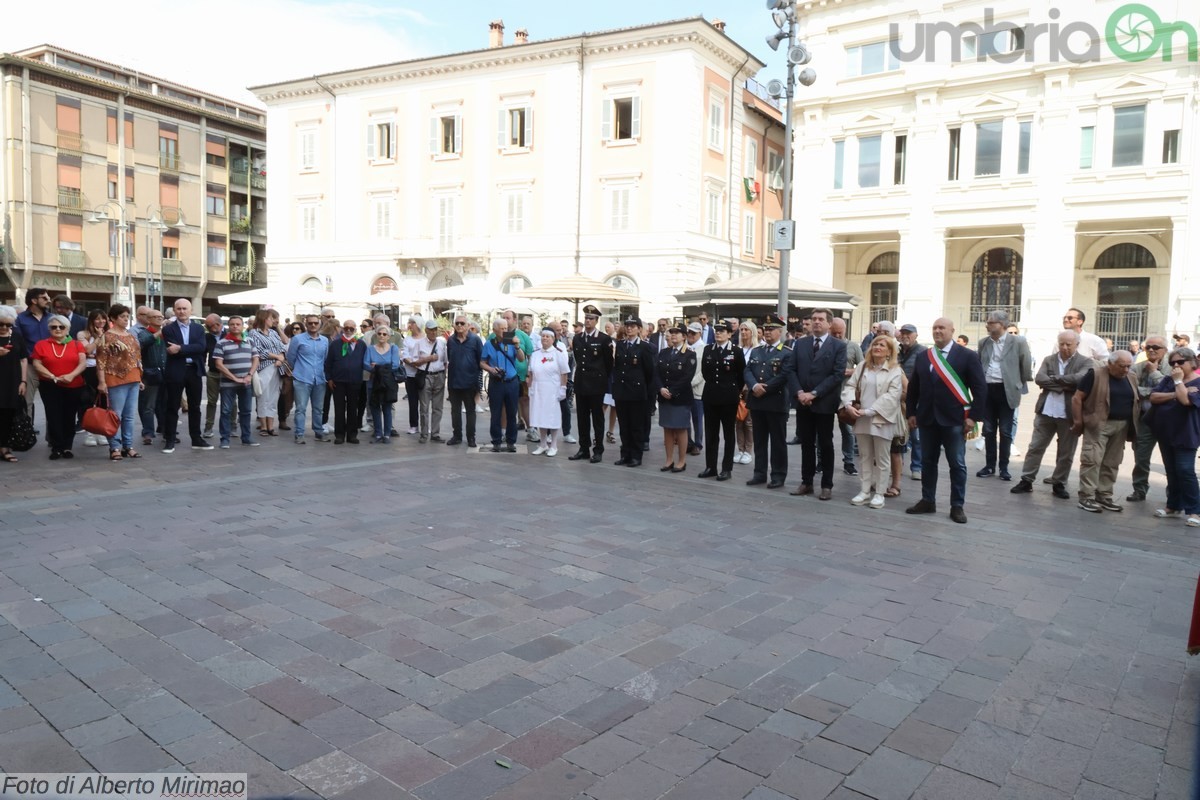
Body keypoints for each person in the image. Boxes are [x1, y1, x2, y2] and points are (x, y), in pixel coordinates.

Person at [905, 317, 988, 524]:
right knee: (927, 462)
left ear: (952, 331)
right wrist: (911, 413)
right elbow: (914, 387)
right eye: (934, 328)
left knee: (957, 464)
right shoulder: (925, 356)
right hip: (927, 418)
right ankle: (928, 500)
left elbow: (980, 388)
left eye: (942, 328)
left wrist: (974, 417)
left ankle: (957, 505)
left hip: (954, 419)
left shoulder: (967, 356)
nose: (937, 331)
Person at [1010, 331, 1092, 499]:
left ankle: (1059, 483)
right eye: (1062, 343)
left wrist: (1055, 380)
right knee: (1035, 447)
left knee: (1066, 452)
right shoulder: (1049, 359)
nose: (1064, 347)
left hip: (1069, 414)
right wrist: (1064, 385)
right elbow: (1040, 378)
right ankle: (1027, 479)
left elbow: (1080, 378)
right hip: (1046, 411)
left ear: (1077, 344)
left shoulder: (1085, 361)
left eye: (1068, 344)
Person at [788, 308, 848, 500]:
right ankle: (806, 482)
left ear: (829, 324)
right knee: (806, 443)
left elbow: (837, 375)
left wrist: (814, 393)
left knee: (825, 443)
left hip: (824, 403)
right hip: (803, 402)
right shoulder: (800, 343)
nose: (816, 322)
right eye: (814, 319)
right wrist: (799, 392)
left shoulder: (838, 346)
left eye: (821, 319)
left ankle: (826, 485)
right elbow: (791, 370)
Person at [840, 335, 904, 509]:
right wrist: (848, 404)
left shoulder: (895, 370)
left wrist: (870, 411)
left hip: (881, 418)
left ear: (890, 351)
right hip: (860, 417)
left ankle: (880, 493)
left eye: (882, 345)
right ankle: (864, 491)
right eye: (875, 344)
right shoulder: (862, 367)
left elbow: (893, 396)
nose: (877, 347)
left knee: (882, 459)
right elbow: (850, 386)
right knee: (865, 456)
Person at [1071, 351, 1139, 513]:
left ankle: (1104, 494)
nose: (1125, 370)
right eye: (1122, 366)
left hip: (1122, 426)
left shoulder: (1132, 377)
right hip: (1098, 424)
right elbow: (1077, 398)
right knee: (1092, 459)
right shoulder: (1095, 375)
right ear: (1110, 363)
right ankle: (1086, 496)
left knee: (1112, 461)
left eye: (1128, 366)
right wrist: (1078, 421)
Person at [974, 310, 1032, 481]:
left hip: (1007, 390)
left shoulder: (1018, 341)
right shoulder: (983, 343)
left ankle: (1004, 468)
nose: (987, 325)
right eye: (987, 322)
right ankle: (989, 465)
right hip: (988, 390)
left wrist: (1018, 383)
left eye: (991, 322)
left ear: (1003, 325)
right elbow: (979, 364)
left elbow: (1026, 365)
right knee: (988, 430)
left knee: (1006, 431)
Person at [1148, 346, 1200, 527]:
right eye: (1172, 363)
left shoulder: (1197, 382)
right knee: (1171, 470)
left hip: (1186, 433)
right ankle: (1173, 506)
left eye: (1180, 362)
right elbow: (1153, 397)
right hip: (1166, 432)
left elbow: (1186, 402)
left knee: (1185, 471)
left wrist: (1179, 383)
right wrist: (1175, 392)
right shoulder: (1169, 380)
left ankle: (1195, 511)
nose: (1175, 365)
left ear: (1192, 362)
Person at [744, 313, 795, 489]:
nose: (767, 332)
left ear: (780, 331)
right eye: (765, 329)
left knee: (778, 441)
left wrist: (764, 388)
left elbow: (784, 375)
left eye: (771, 329)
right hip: (757, 402)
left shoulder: (786, 352)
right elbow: (747, 370)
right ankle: (759, 473)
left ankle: (778, 475)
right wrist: (753, 386)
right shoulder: (757, 351)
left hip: (775, 401)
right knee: (759, 440)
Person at [31, 315, 86, 459]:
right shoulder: (41, 344)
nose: (57, 329)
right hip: (49, 385)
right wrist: (52, 376)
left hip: (73, 384)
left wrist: (71, 375)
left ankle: (67, 447)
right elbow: (37, 364)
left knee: (69, 415)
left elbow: (82, 363)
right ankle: (56, 447)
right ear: (49, 329)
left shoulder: (76, 344)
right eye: (53, 327)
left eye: (61, 327)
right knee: (53, 416)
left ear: (68, 329)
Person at [161, 299, 211, 453]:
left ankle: (196, 438)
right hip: (176, 370)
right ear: (174, 311)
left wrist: (181, 348)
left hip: (193, 370)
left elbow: (201, 347)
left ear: (191, 310)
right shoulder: (168, 329)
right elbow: (171, 349)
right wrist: (189, 349)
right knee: (172, 406)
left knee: (195, 406)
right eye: (179, 309)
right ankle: (169, 440)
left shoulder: (198, 329)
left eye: (185, 308)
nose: (182, 311)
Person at [95, 304, 143, 460]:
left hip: (133, 378)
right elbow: (101, 361)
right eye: (122, 317)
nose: (126, 320)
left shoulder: (130, 335)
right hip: (115, 378)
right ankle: (114, 446)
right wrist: (102, 382)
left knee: (129, 416)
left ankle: (128, 445)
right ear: (113, 318)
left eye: (127, 317)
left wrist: (140, 378)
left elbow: (136, 358)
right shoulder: (107, 336)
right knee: (116, 415)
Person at [699, 320, 745, 481]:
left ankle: (726, 468)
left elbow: (740, 375)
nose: (718, 333)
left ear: (730, 333)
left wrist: (733, 390)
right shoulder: (708, 349)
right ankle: (711, 466)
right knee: (711, 433)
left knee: (728, 434)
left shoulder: (736, 351)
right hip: (711, 396)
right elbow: (705, 372)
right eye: (716, 330)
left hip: (728, 397)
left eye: (722, 330)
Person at [569, 305, 613, 463]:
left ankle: (598, 449)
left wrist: (601, 379)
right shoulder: (578, 338)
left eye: (591, 318)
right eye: (586, 318)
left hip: (596, 385)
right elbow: (578, 359)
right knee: (582, 418)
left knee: (597, 418)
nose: (588, 321)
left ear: (596, 320)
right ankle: (583, 448)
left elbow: (609, 364)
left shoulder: (603, 339)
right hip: (581, 383)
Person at [1126, 335, 1168, 501]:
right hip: (1145, 419)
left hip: (1167, 421)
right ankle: (1139, 489)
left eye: (1156, 347)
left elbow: (1171, 388)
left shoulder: (1173, 367)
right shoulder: (1137, 367)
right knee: (1141, 457)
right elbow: (1131, 389)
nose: (1151, 350)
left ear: (1165, 350)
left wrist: (1154, 374)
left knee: (1170, 459)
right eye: (1148, 347)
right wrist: (1154, 393)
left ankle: (1173, 496)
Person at [610, 316, 655, 467]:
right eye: (627, 326)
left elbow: (649, 372)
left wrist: (646, 392)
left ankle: (636, 455)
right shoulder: (620, 345)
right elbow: (617, 368)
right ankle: (625, 454)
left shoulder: (644, 347)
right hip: (622, 391)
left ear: (639, 329)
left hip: (637, 392)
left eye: (633, 326)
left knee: (636, 426)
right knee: (624, 425)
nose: (629, 328)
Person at [211, 315, 259, 449]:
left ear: (242, 326)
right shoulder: (222, 343)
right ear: (229, 326)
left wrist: (249, 375)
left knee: (246, 411)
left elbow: (256, 359)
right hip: (228, 384)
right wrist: (234, 378)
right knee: (226, 411)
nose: (235, 326)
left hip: (246, 382)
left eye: (238, 324)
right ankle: (224, 439)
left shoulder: (249, 341)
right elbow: (218, 364)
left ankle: (246, 437)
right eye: (232, 324)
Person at [655, 325, 698, 472]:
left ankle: (681, 461)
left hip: (680, 397)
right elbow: (657, 373)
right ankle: (669, 460)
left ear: (684, 336)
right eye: (671, 332)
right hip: (664, 396)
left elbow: (687, 377)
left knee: (680, 429)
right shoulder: (664, 353)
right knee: (667, 428)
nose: (673, 335)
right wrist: (661, 388)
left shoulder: (689, 354)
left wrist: (672, 391)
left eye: (677, 333)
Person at [480, 318, 525, 452]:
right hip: (496, 382)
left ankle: (511, 442)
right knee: (495, 413)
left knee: (512, 413)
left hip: (512, 382)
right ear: (495, 330)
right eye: (502, 328)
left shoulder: (512, 341)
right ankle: (496, 441)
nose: (505, 331)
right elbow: (482, 362)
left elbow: (521, 358)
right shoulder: (489, 344)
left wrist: (517, 346)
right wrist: (491, 370)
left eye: (506, 328)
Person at [287, 314, 330, 444]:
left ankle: (318, 432)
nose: (313, 325)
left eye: (315, 323)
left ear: (319, 324)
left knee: (318, 408)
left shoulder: (324, 340)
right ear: (306, 324)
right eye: (310, 323)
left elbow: (325, 358)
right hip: (302, 378)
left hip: (319, 378)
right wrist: (298, 371)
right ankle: (299, 433)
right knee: (301, 408)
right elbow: (291, 358)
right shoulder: (297, 339)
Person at [528, 329, 570, 456]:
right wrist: (530, 386)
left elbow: (564, 373)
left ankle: (554, 445)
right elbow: (530, 372)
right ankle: (543, 444)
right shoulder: (535, 354)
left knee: (552, 417)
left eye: (548, 336)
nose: (545, 338)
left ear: (553, 339)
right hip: (538, 389)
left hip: (552, 390)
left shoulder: (558, 354)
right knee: (540, 416)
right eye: (543, 336)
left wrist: (563, 388)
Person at [829, 317, 862, 477]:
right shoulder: (826, 346)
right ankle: (822, 461)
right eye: (833, 333)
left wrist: (848, 372)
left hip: (846, 394)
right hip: (828, 393)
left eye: (839, 333)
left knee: (847, 430)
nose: (836, 336)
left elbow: (863, 368)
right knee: (824, 430)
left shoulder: (853, 346)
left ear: (845, 331)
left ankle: (848, 462)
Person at [324, 319, 366, 445]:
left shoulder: (361, 344)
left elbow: (365, 361)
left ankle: (352, 434)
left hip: (355, 381)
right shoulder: (335, 344)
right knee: (339, 409)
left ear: (355, 329)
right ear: (342, 328)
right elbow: (328, 363)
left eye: (351, 328)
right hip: (338, 381)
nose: (348, 330)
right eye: (346, 327)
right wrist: (329, 378)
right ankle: (340, 435)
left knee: (353, 408)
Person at [446, 314, 483, 448]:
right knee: (455, 411)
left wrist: (477, 381)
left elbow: (481, 360)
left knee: (470, 411)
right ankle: (457, 436)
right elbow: (450, 358)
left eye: (462, 323)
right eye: (457, 323)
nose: (460, 326)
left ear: (468, 326)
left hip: (470, 382)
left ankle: (471, 437)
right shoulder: (450, 340)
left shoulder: (476, 340)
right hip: (454, 382)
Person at [249, 309, 288, 437]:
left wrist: (281, 356)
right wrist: (276, 357)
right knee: (263, 396)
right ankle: (263, 426)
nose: (273, 321)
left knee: (273, 396)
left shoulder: (273, 332)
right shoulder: (254, 333)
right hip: (264, 368)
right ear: (264, 319)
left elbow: (283, 345)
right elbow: (258, 351)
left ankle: (271, 425)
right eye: (271, 318)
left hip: (277, 368)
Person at [15, 287, 50, 427]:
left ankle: (53, 438)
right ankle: (26, 434)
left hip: (50, 366)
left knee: (51, 402)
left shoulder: (52, 319)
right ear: (34, 300)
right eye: (45, 298)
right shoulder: (20, 319)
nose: (49, 300)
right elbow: (18, 343)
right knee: (27, 402)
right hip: (30, 365)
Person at [896, 324, 927, 481]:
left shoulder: (923, 351)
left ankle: (917, 467)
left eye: (908, 333)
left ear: (916, 335)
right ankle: (898, 465)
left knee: (916, 436)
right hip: (899, 399)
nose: (905, 336)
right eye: (903, 333)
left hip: (917, 399)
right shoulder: (897, 351)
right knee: (899, 433)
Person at [76, 310, 109, 447]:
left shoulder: (110, 333)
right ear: (91, 320)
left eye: (103, 319)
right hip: (89, 369)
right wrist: (99, 338)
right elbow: (87, 350)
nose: (101, 322)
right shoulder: (83, 334)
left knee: (103, 400)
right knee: (88, 400)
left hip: (106, 370)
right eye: (97, 319)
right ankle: (90, 432)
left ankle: (101, 431)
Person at [363, 325, 400, 444]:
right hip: (373, 382)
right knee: (374, 407)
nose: (382, 336)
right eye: (379, 334)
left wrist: (376, 366)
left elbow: (395, 365)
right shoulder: (370, 349)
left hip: (388, 383)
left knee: (387, 407)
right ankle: (378, 433)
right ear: (376, 335)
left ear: (389, 336)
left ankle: (387, 434)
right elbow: (365, 364)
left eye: (384, 334)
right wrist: (383, 366)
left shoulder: (393, 348)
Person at [0, 306, 28, 463]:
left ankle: (5, 447)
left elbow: (23, 359)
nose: (4, 327)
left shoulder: (16, 336)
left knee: (8, 414)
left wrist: (23, 381)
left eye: (8, 325)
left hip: (12, 380)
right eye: (1, 324)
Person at [414, 319, 447, 443]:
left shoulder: (442, 343)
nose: (433, 332)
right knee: (424, 407)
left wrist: (444, 376)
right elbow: (414, 362)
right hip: (425, 375)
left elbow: (445, 362)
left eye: (435, 329)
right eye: (431, 329)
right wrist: (429, 358)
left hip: (439, 375)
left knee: (438, 407)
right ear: (426, 330)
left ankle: (435, 433)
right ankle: (423, 434)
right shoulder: (419, 344)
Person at [734, 321, 758, 465]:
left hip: (749, 388)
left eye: (746, 330)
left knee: (748, 421)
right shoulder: (737, 349)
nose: (743, 332)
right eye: (741, 329)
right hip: (736, 388)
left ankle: (748, 451)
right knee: (738, 420)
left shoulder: (757, 349)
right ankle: (740, 449)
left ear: (752, 332)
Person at [202, 313, 226, 439]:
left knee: (230, 402)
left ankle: (231, 426)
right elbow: (202, 354)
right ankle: (208, 427)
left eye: (209, 326)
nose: (208, 328)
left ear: (217, 325)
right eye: (207, 326)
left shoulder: (229, 335)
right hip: (213, 372)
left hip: (229, 373)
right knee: (211, 401)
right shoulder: (206, 337)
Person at [401, 315, 425, 435]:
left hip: (424, 374)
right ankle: (413, 425)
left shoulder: (426, 339)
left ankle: (425, 426)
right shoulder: (407, 340)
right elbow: (405, 356)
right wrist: (414, 364)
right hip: (410, 374)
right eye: (409, 322)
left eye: (412, 323)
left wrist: (421, 365)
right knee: (413, 401)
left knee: (425, 402)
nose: (409, 325)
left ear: (418, 324)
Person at [684, 322, 706, 456]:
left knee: (697, 419)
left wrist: (690, 383)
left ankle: (698, 443)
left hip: (697, 390)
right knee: (685, 417)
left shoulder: (704, 348)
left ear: (700, 334)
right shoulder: (685, 348)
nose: (690, 335)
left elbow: (703, 372)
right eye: (689, 333)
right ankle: (688, 442)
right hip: (685, 390)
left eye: (693, 333)